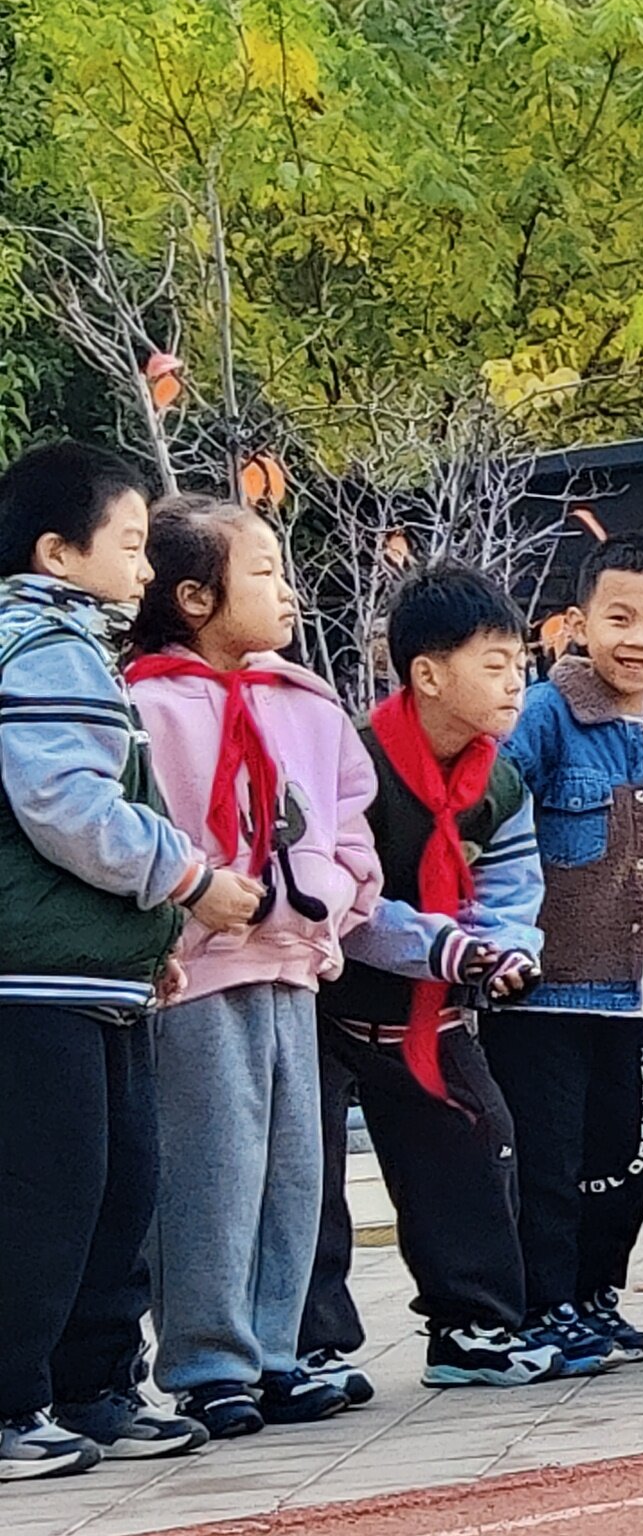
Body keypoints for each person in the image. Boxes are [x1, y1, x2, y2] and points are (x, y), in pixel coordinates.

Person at [1, 455, 270, 1476]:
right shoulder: (41, 644)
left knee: (117, 1189)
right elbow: (69, 809)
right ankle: (15, 1401)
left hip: (86, 972)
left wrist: (144, 944)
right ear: (55, 553)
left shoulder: (76, 644)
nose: (145, 565)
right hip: (32, 978)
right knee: (47, 1196)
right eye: (126, 544)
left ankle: (96, 1389)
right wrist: (189, 883)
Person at [120, 497, 377, 1438]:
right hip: (196, 970)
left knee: (293, 1168)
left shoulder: (305, 699)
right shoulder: (142, 702)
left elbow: (351, 812)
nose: (286, 591)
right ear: (192, 596)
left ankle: (275, 1349)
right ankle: (208, 1362)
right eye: (263, 571)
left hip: (294, 962)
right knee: (211, 1169)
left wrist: (343, 892)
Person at [327, 564, 560, 1386]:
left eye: (519, 664)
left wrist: (509, 949)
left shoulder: (497, 778)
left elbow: (511, 882)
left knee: (475, 1141)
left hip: (435, 1005)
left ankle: (473, 1327)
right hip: (333, 1001)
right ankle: (310, 1339)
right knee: (312, 1173)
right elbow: (346, 901)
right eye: (494, 664)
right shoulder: (354, 765)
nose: (515, 682)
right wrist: (447, 948)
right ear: (426, 673)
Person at [490, 531, 643, 1365]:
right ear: (576, 622)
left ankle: (596, 1294)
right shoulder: (545, 715)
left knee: (623, 1155)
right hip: (545, 988)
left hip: (634, 989)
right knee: (548, 1158)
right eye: (617, 617)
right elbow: (494, 819)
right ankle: (543, 1302)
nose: (638, 638)